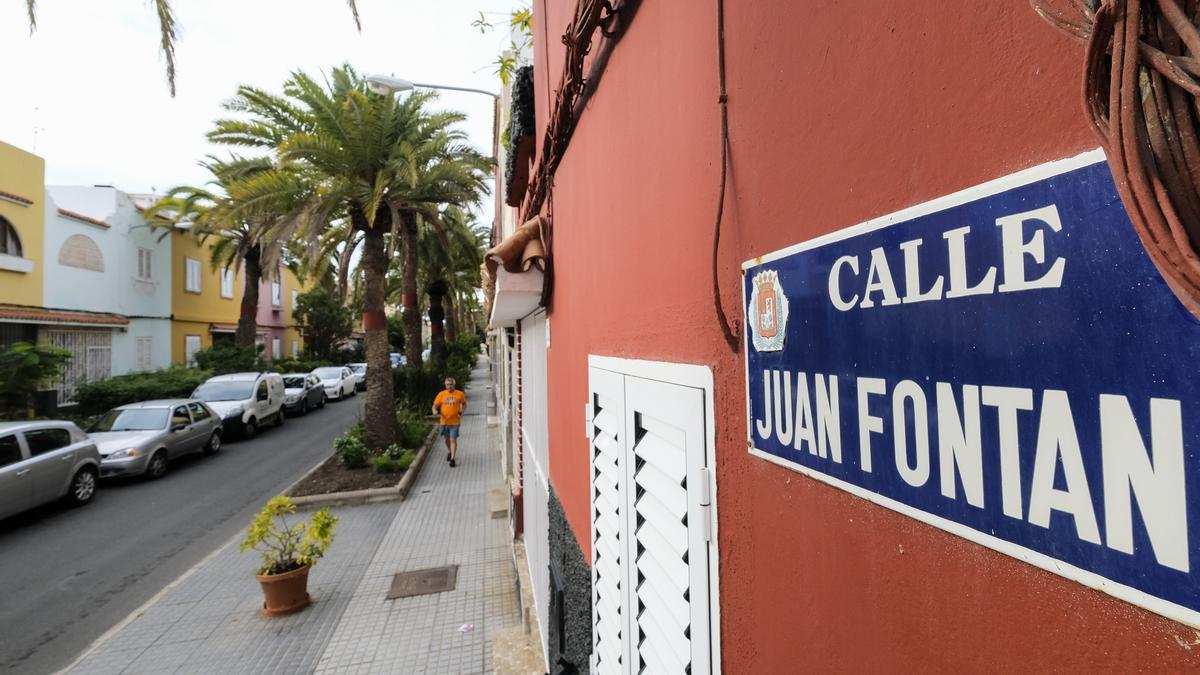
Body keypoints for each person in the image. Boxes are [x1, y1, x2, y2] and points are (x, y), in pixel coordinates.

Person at [432, 377, 466, 467]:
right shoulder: (441, 394)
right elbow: (434, 406)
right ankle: (450, 451)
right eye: (447, 385)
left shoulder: (459, 394)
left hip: (455, 422)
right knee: (446, 440)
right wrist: (434, 411)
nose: (449, 386)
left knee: (453, 440)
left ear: (454, 385)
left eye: (451, 385)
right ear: (445, 385)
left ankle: (452, 459)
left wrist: (462, 411)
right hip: (444, 422)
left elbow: (464, 403)